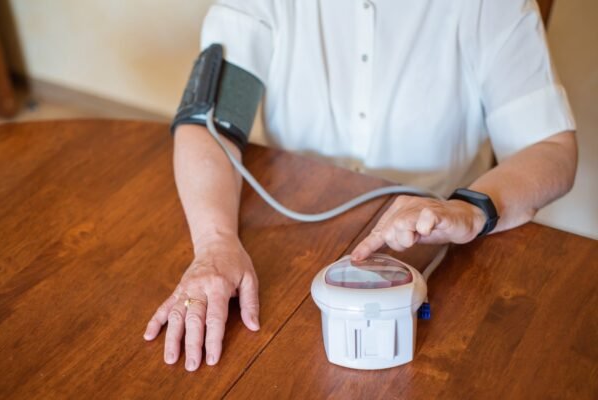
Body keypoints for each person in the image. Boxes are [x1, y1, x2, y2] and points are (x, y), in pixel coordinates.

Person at [143, 0, 577, 372]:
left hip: (434, 251)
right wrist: (215, 243)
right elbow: (210, 123)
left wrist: (469, 209)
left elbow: (551, 149)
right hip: (287, 242)